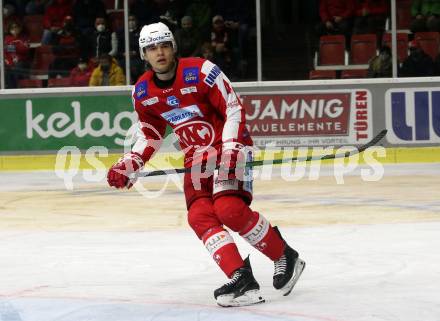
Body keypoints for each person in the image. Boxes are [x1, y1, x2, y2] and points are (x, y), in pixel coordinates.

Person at [106, 22, 305, 307]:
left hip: (229, 148)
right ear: (143, 54)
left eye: (164, 45)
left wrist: (230, 149)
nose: (159, 52)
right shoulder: (142, 92)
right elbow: (150, 136)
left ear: (173, 47)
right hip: (196, 159)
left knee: (229, 209)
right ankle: (242, 279)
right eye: (151, 48)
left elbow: (233, 108)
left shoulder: (201, 71)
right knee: (199, 215)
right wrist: (130, 163)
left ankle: (284, 255)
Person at [4, 21, 31, 88]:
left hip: (22, 61)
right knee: (7, 70)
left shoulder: (24, 37)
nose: (14, 29)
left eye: (16, 27)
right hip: (10, 62)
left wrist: (14, 44)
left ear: (20, 28)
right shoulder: (7, 38)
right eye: (12, 28)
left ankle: (18, 88)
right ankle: (10, 89)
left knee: (17, 67)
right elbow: (7, 52)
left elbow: (24, 49)